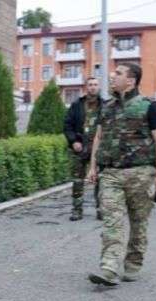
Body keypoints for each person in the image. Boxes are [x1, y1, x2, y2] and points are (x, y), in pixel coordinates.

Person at [87, 63, 156, 286]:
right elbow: (98, 137)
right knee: (111, 222)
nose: (112, 76)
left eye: (118, 74)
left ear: (131, 81)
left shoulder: (149, 106)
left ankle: (133, 262)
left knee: (138, 223)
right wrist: (93, 167)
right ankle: (109, 267)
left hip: (141, 173)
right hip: (111, 173)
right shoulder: (107, 107)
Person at [63, 77, 103, 221]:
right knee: (77, 180)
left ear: (99, 87)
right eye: (90, 84)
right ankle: (77, 210)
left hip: (98, 148)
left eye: (95, 84)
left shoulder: (105, 105)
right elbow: (67, 125)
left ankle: (101, 210)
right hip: (80, 147)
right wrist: (73, 141)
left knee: (100, 180)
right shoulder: (77, 105)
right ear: (86, 87)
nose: (93, 87)